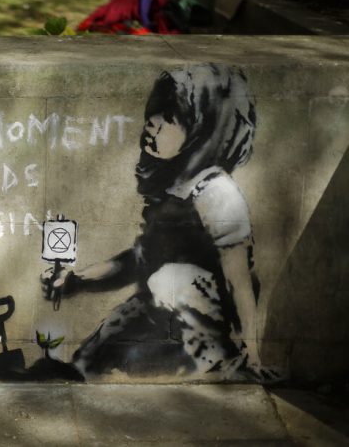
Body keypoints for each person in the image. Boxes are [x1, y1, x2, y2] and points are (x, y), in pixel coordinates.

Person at [41, 63, 276, 381]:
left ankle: (221, 365)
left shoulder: (216, 191)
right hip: (163, 311)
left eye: (169, 118)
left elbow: (240, 279)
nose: (152, 124)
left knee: (166, 281)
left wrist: (252, 351)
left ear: (202, 128)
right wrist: (78, 277)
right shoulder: (174, 190)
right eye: (154, 114)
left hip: (204, 330)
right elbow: (138, 260)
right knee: (102, 345)